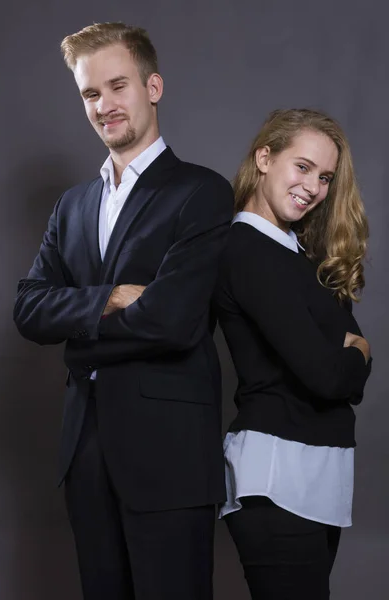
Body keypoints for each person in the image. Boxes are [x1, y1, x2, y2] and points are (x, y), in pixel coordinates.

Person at [13, 21, 233, 600]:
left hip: (170, 456)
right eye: (91, 93)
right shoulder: (74, 205)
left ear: (152, 87)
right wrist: (110, 298)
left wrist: (78, 329)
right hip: (85, 453)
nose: (105, 106)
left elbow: (174, 320)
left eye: (118, 86)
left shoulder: (201, 193)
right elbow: (28, 310)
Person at [213, 108, 372, 600]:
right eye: (302, 167)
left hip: (318, 476)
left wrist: (352, 357)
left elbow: (348, 364)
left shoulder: (297, 253)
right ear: (265, 157)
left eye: (324, 177)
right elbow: (330, 374)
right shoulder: (247, 248)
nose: (314, 187)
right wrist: (357, 354)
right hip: (277, 478)